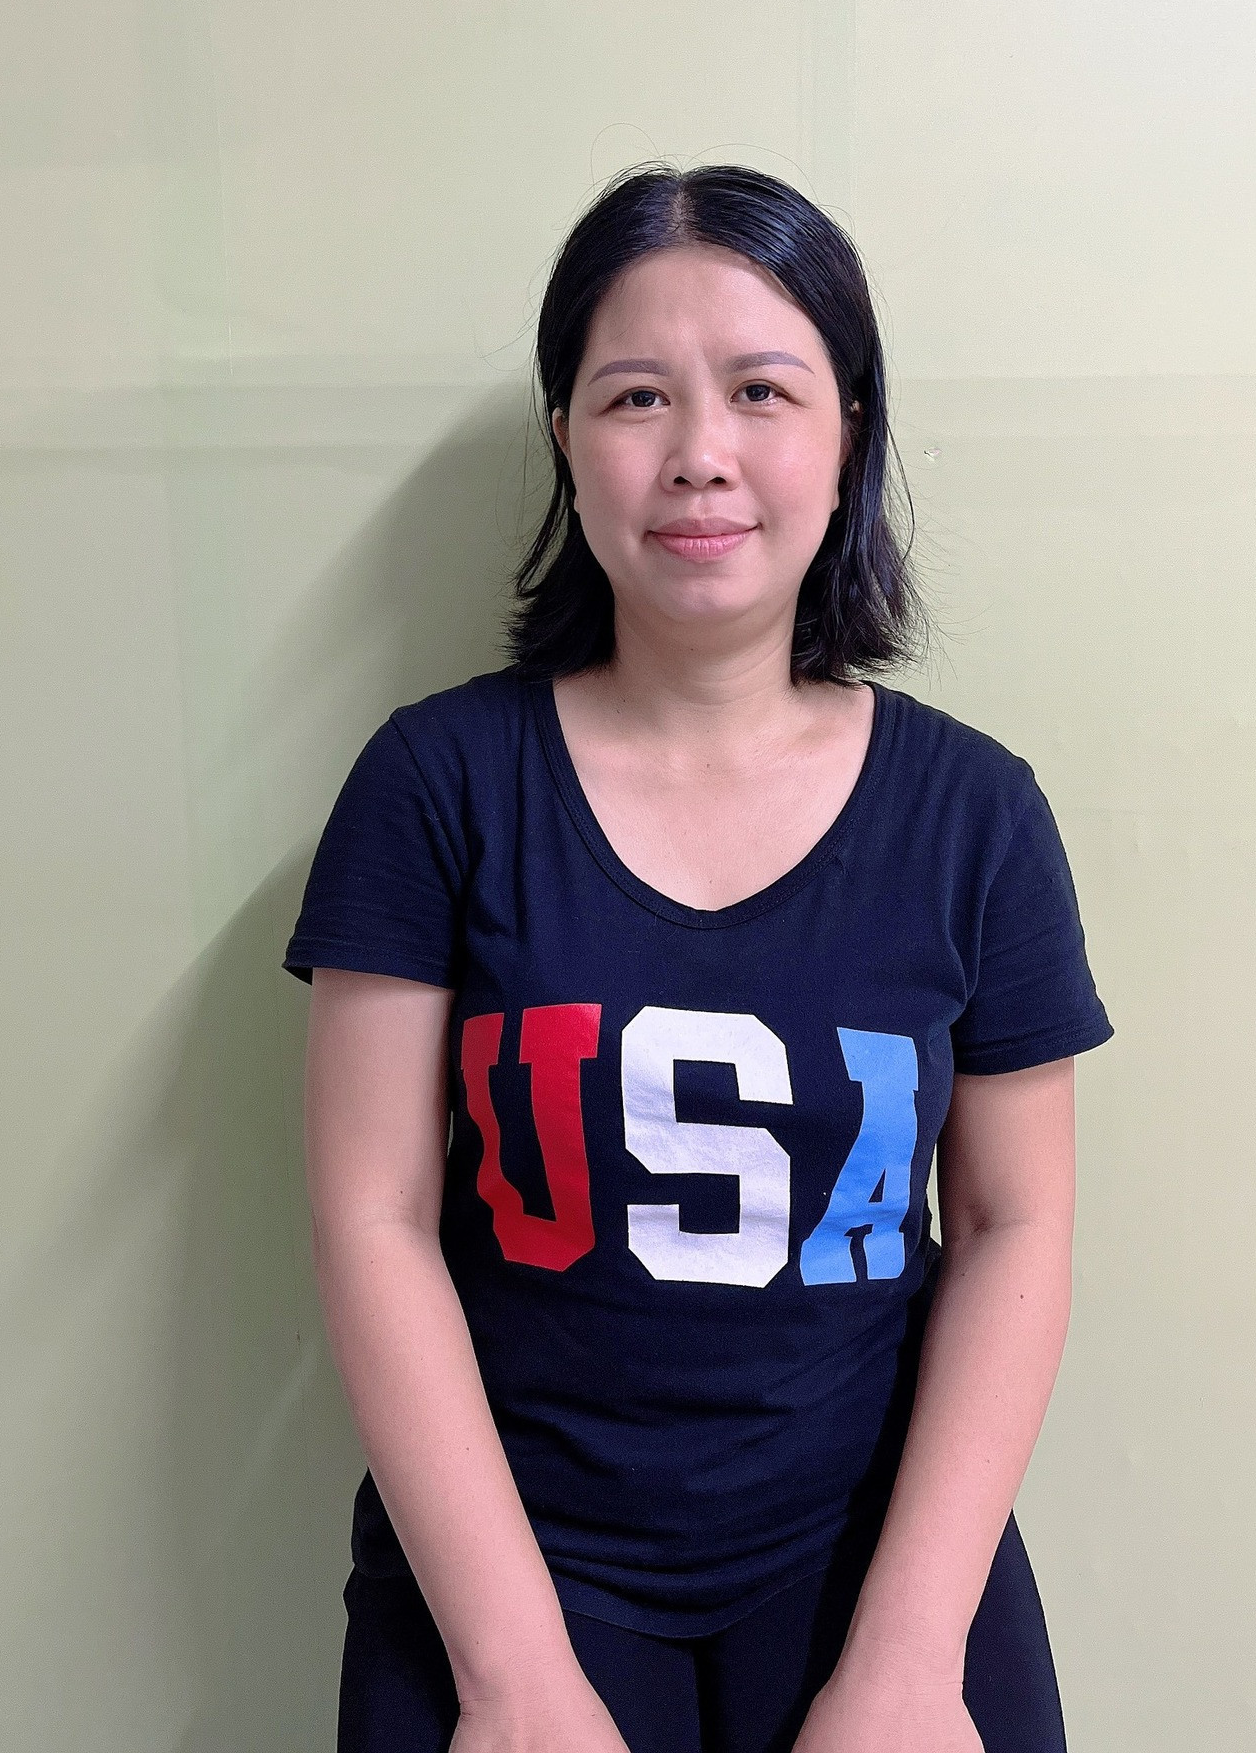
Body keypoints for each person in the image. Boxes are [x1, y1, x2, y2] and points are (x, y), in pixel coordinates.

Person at [283, 163, 1115, 1753]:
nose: (699, 454)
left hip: (870, 1547)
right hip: (513, 1554)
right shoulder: (436, 785)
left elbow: (1018, 1222)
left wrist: (907, 1665)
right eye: (636, 397)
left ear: (849, 431)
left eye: (761, 391)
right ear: (565, 439)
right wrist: (515, 1681)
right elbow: (369, 1217)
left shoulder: (975, 815)